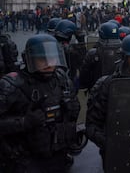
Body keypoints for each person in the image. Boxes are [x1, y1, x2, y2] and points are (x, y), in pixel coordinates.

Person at [0, 34, 80, 173]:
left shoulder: (62, 79)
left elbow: (73, 113)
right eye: (42, 59)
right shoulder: (12, 85)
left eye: (52, 58)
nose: (49, 63)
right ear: (30, 59)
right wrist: (24, 122)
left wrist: (71, 109)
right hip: (26, 160)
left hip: (59, 156)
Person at [86, 33, 130, 161]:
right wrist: (110, 143)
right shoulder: (107, 85)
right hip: (118, 152)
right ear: (125, 58)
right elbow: (92, 125)